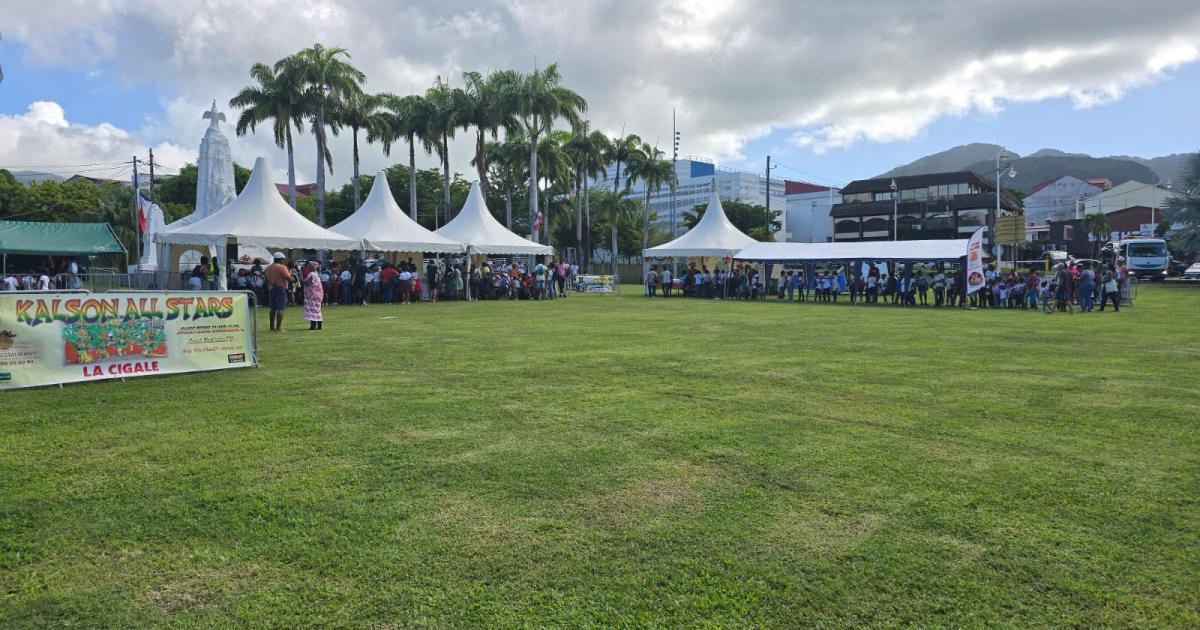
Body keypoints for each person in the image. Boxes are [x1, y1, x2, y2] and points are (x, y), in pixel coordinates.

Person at [265, 252, 293, 332]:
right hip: (280, 289)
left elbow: (266, 280)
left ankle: (271, 327)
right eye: (282, 259)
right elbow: (288, 278)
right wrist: (293, 279)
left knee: (272, 309)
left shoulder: (268, 268)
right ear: (280, 259)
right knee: (280, 308)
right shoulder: (282, 267)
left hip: (271, 288)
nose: (283, 261)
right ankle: (278, 327)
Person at [302, 260, 324, 330]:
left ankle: (313, 326)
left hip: (312, 295)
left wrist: (302, 280)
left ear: (312, 267)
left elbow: (309, 283)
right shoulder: (316, 273)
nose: (308, 267)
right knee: (318, 310)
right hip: (318, 294)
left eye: (309, 265)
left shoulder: (311, 274)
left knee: (312, 310)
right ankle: (319, 326)